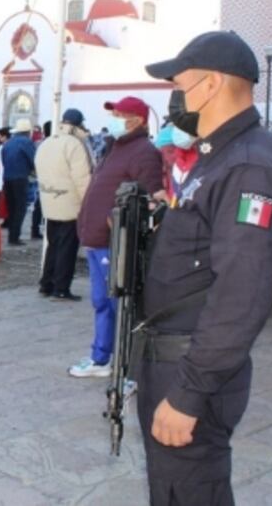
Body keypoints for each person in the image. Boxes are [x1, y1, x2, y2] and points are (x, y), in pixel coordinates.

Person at [136, 31, 272, 504]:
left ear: (211, 84)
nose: (176, 96)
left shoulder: (250, 166)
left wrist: (189, 393)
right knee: (173, 488)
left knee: (191, 491)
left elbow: (241, 294)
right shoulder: (220, 156)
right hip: (172, 355)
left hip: (193, 368)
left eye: (181, 83)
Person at [70, 95, 162, 379]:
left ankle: (129, 368)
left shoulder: (143, 151)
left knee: (121, 305)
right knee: (101, 301)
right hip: (97, 239)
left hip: (116, 242)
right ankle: (101, 357)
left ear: (137, 121)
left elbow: (149, 197)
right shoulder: (114, 147)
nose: (115, 119)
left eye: (120, 115)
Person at [36, 109, 92, 301]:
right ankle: (61, 287)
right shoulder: (74, 144)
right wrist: (88, 204)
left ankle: (46, 283)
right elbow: (82, 178)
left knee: (53, 245)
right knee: (67, 248)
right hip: (70, 204)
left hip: (50, 201)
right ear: (78, 125)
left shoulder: (48, 142)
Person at [0, 119, 37, 246]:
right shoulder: (27, 142)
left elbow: (4, 160)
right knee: (20, 208)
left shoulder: (8, 143)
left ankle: (12, 235)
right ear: (28, 131)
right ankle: (14, 237)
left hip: (7, 177)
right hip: (20, 178)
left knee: (11, 207)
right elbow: (34, 160)